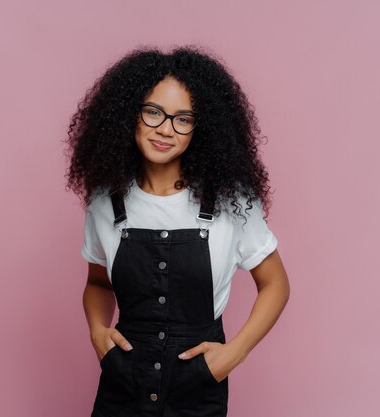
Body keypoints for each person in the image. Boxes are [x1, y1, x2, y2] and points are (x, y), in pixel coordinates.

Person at [64, 45, 290, 417]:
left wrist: (232, 355)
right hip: (122, 388)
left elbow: (276, 284)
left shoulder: (231, 202)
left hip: (199, 390)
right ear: (128, 115)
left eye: (183, 119)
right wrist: (97, 333)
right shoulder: (105, 202)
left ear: (200, 129)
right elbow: (98, 284)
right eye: (153, 112)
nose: (165, 129)